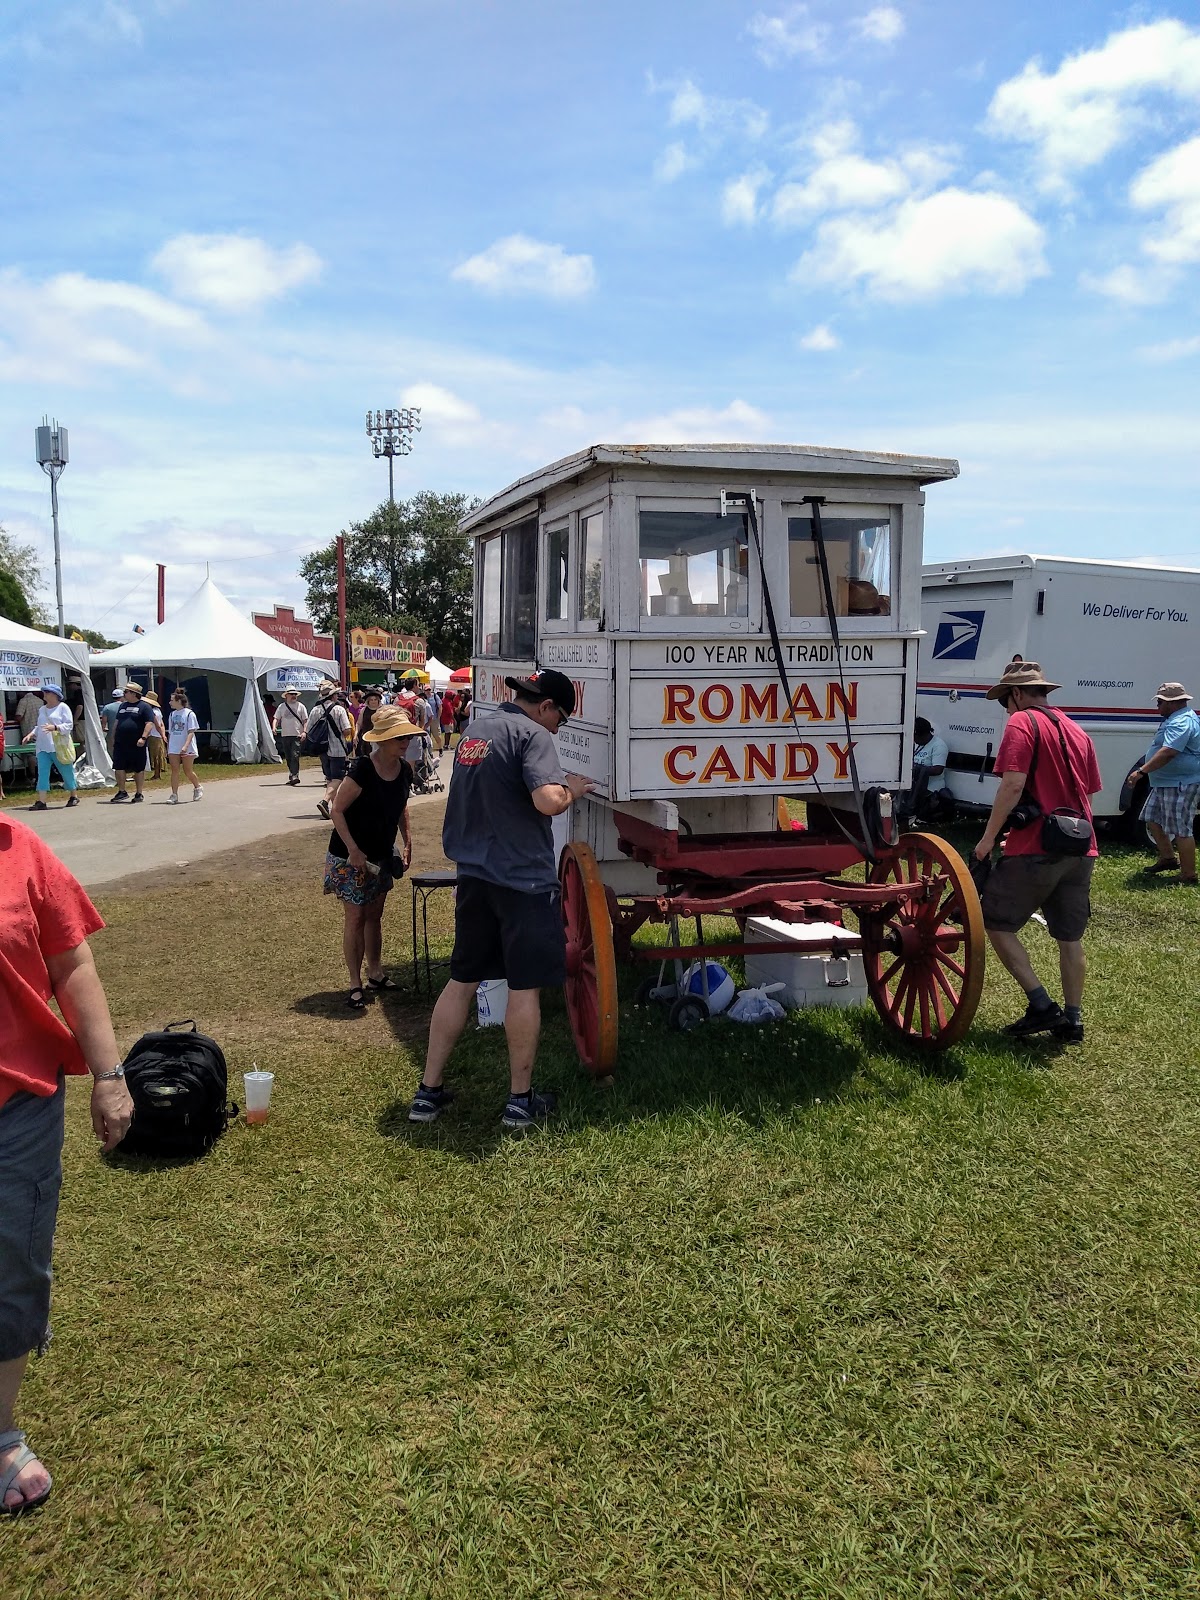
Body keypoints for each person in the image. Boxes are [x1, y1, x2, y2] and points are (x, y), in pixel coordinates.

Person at [0, 815, 134, 1514]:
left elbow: (72, 965)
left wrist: (109, 1076)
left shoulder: (20, 849)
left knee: (14, 1263)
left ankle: (0, 1433)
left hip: (16, 1104)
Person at [409, 669, 594, 1130]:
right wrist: (570, 788)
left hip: (474, 876)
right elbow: (547, 801)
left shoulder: (477, 730)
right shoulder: (533, 735)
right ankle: (519, 1102)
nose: (558, 728)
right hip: (522, 883)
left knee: (463, 981)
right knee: (523, 988)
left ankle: (427, 1093)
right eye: (561, 719)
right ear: (546, 706)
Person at [972, 660, 1102, 1045]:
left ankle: (1042, 1005)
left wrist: (988, 839)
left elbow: (1013, 786)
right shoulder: (1078, 730)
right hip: (1082, 845)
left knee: (995, 922)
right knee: (1069, 937)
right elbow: (1090, 790)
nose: (1006, 710)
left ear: (1015, 694)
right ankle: (1073, 1022)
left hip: (1036, 845)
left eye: (1004, 701)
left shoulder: (1021, 723)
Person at [324, 705, 419, 1008]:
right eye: (398, 737)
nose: (404, 741)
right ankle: (355, 984)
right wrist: (352, 849)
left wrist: (407, 841)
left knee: (374, 916)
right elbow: (336, 809)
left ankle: (375, 973)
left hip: (380, 855)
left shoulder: (405, 769)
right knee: (355, 916)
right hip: (349, 854)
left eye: (406, 735)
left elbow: (401, 807)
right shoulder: (363, 768)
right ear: (382, 739)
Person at [1131, 681, 1200, 885]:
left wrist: (1141, 771)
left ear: (1172, 703)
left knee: (1181, 829)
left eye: (1160, 702)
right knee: (1152, 818)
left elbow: (1169, 751)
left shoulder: (1182, 722)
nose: (1158, 706)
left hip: (1180, 783)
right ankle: (1168, 859)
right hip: (1165, 782)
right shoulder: (1175, 718)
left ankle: (1188, 875)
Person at [30, 685, 79, 812]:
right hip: (43, 747)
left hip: (58, 746)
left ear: (54, 694)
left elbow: (69, 725)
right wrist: (31, 733)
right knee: (42, 773)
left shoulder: (63, 707)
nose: (44, 694)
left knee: (66, 770)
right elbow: (40, 726)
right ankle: (42, 801)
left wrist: (55, 727)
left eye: (46, 692)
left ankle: (73, 795)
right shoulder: (42, 709)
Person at [897, 717, 953, 829]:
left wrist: (916, 769)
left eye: (915, 736)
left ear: (921, 735)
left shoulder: (938, 746)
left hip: (930, 789)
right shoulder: (918, 743)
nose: (913, 739)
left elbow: (938, 769)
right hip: (914, 784)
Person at [108, 682, 156, 804]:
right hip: (121, 742)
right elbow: (117, 722)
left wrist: (143, 738)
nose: (124, 694)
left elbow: (149, 723)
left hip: (136, 743)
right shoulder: (123, 706)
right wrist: (113, 737)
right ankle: (122, 791)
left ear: (134, 694)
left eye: (126, 692)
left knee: (138, 768)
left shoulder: (144, 707)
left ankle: (139, 793)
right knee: (118, 766)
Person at [313, 681, 354, 821]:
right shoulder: (339, 710)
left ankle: (335, 808)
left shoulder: (315, 710)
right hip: (337, 749)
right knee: (338, 778)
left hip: (322, 748)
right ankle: (325, 801)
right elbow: (347, 730)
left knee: (330, 778)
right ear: (333, 696)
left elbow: (309, 730)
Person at [166, 688, 202, 803]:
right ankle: (174, 795)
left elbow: (191, 732)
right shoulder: (172, 714)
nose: (170, 702)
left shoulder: (189, 714)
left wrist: (185, 746)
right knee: (174, 770)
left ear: (179, 701)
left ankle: (197, 787)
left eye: (172, 700)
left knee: (188, 771)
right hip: (174, 746)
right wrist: (169, 747)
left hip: (187, 747)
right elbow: (171, 732)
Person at [272, 689, 308, 786]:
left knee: (295, 755)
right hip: (285, 735)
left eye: (295, 694)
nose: (294, 696)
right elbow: (276, 718)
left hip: (297, 735)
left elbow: (305, 720)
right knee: (288, 756)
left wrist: (304, 732)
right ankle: (292, 774)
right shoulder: (281, 707)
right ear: (286, 695)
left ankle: (295, 775)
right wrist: (274, 727)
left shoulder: (301, 706)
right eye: (291, 694)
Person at [142, 691, 167, 781]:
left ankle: (157, 774)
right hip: (158, 735)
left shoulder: (152, 712)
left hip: (153, 735)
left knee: (155, 755)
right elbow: (162, 724)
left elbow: (157, 724)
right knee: (158, 755)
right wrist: (163, 734)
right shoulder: (158, 711)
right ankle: (157, 773)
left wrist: (161, 734)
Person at [355, 686, 383, 755]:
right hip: (366, 739)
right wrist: (355, 735)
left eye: (375, 699)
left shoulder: (382, 710)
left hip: (379, 739)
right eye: (371, 700)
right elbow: (359, 724)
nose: (373, 701)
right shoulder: (364, 710)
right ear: (368, 701)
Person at [99, 692, 123, 756]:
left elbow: (103, 725)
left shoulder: (107, 707)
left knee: (112, 753)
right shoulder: (126, 706)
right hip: (125, 733)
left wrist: (106, 729)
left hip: (112, 734)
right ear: (122, 697)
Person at [438, 688, 457, 752]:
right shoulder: (447, 702)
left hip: (445, 719)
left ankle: (447, 744)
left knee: (449, 732)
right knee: (448, 732)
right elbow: (450, 712)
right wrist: (454, 720)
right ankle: (446, 745)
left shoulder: (444, 700)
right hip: (448, 719)